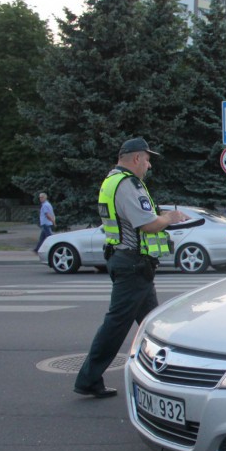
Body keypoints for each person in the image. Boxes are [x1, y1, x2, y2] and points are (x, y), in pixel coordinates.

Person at [73, 137, 188, 398]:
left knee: (154, 324)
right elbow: (147, 224)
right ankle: (88, 378)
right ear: (136, 158)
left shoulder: (112, 180)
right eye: (147, 160)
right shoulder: (128, 184)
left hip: (131, 263)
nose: (149, 166)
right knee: (117, 326)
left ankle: (166, 373)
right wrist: (169, 218)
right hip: (133, 264)